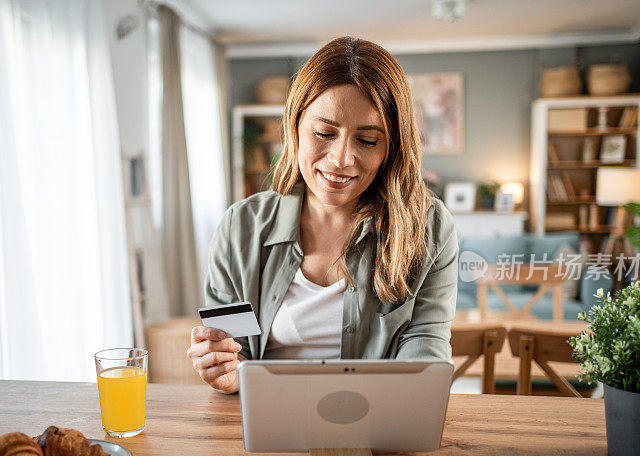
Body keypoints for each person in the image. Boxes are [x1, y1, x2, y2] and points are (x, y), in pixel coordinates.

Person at [187, 37, 458, 394]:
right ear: (295, 125)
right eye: (324, 133)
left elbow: (425, 346)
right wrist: (224, 368)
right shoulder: (240, 227)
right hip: (267, 422)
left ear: (391, 147)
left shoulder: (429, 227)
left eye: (367, 140)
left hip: (377, 424)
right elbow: (231, 347)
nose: (340, 159)